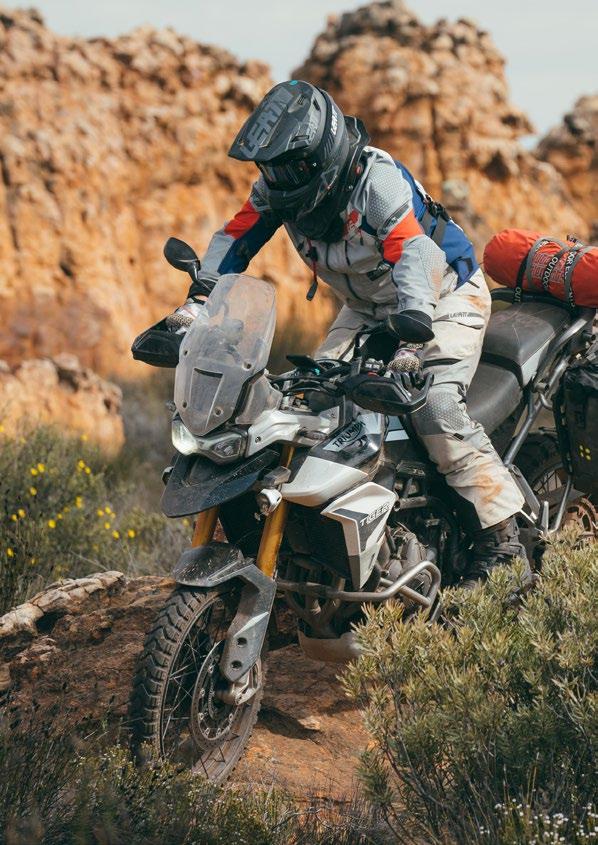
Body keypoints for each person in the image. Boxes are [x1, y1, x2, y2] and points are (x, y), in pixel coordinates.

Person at [167, 80, 530, 587]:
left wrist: (411, 341)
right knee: (308, 406)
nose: (275, 178)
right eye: (269, 169)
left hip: (441, 295)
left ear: (321, 155)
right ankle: (324, 541)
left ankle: (503, 543)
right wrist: (197, 302)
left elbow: (416, 253)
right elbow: (235, 236)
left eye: (287, 167)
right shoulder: (276, 192)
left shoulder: (376, 182)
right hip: (366, 308)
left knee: (434, 406)